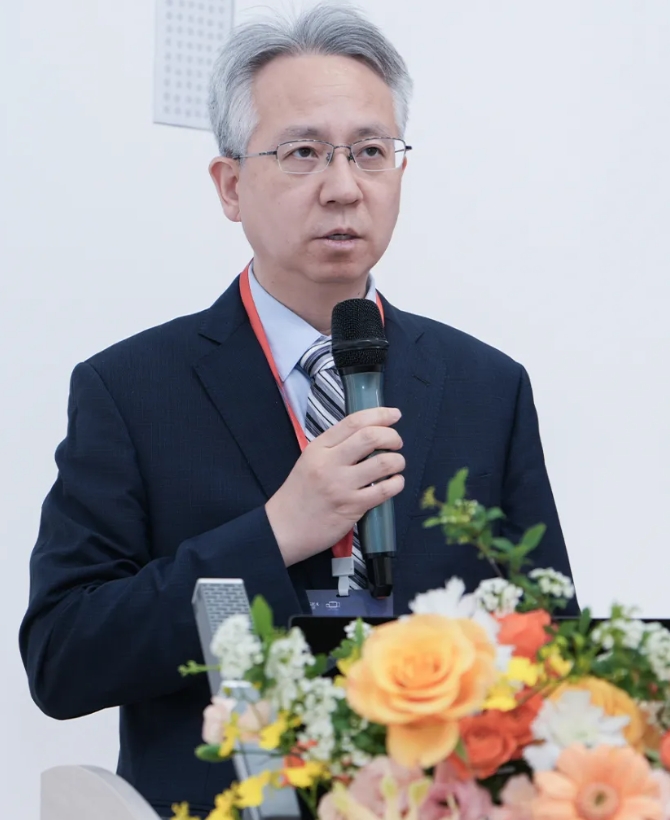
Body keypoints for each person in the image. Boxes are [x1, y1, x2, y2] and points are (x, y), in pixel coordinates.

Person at [19, 3, 577, 816]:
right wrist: (275, 533)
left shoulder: (486, 386)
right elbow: (63, 659)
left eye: (370, 152)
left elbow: (550, 646)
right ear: (231, 186)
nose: (343, 187)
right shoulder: (131, 389)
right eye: (303, 152)